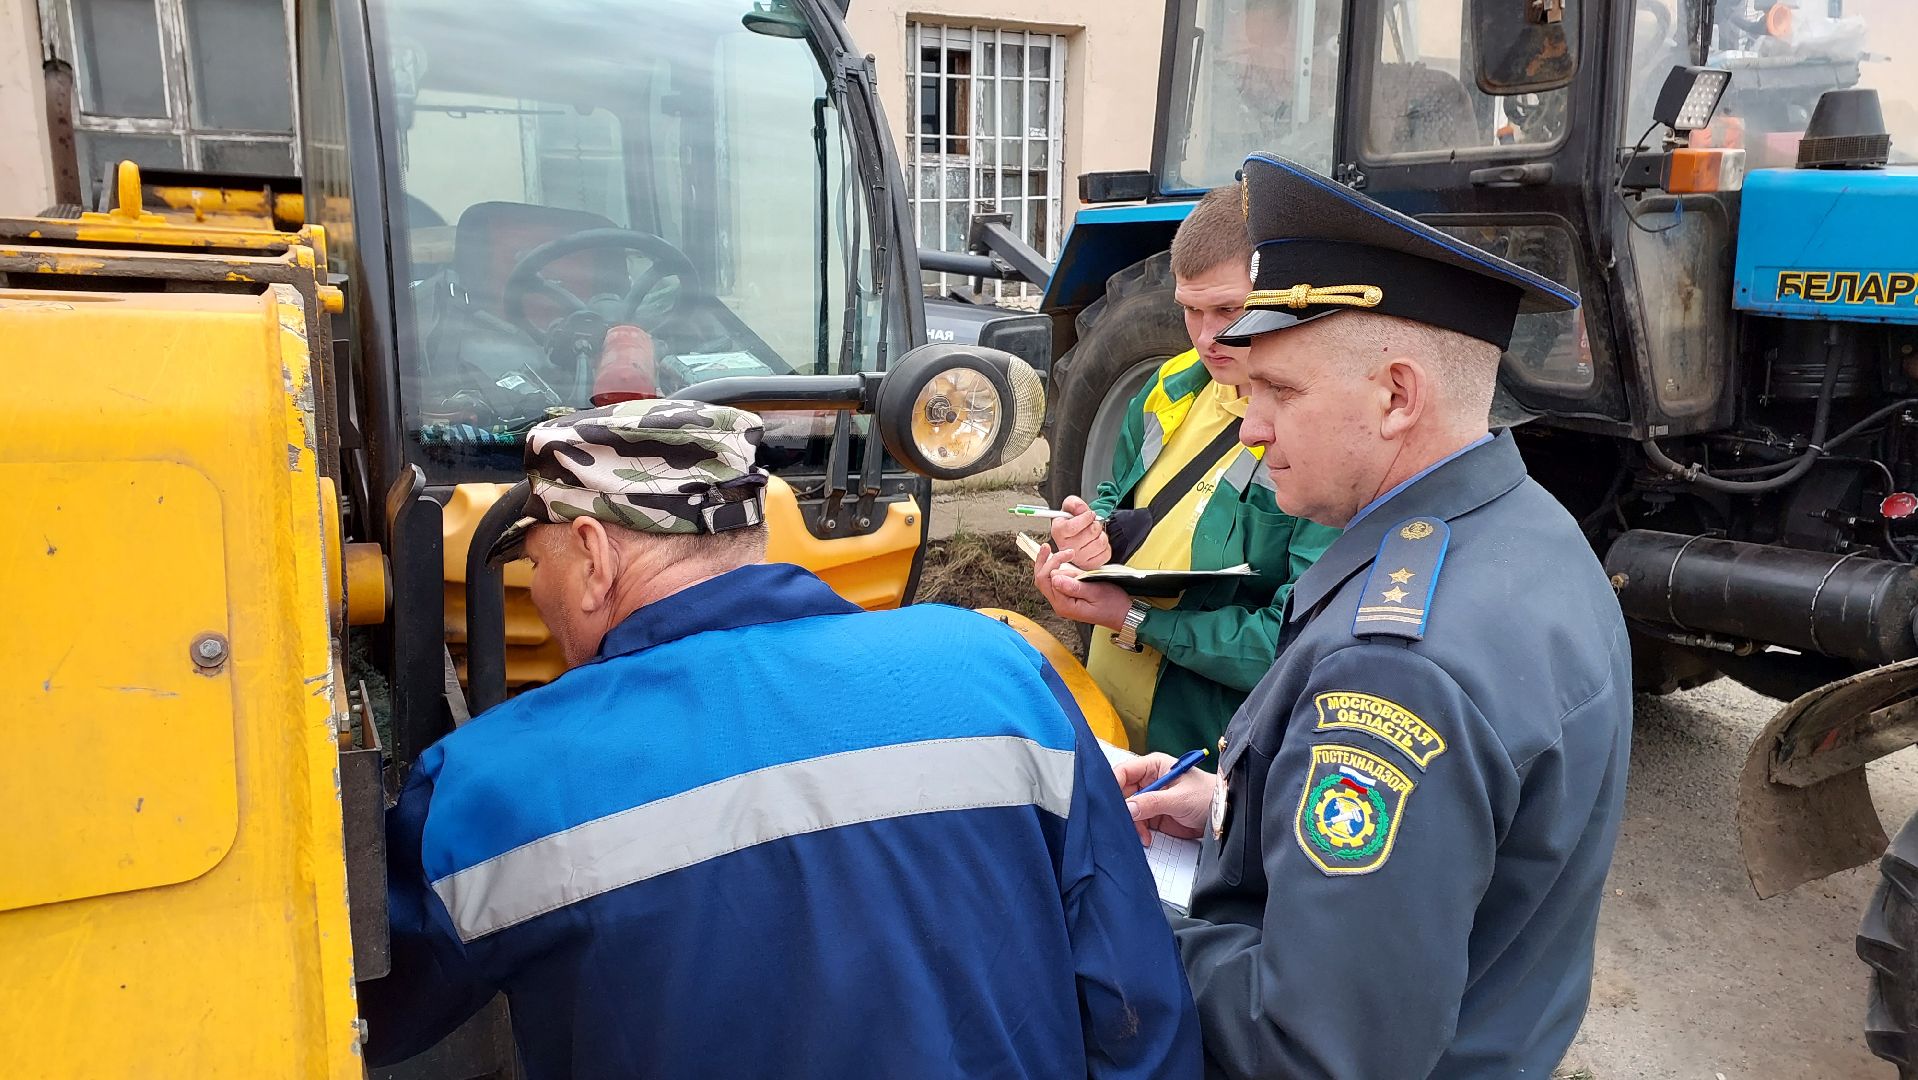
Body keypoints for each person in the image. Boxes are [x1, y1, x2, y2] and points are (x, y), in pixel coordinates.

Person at [361, 400, 1202, 1079]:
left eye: (532, 561)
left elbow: (368, 1014)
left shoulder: (497, 781)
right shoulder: (997, 668)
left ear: (591, 553)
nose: (535, 587)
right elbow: (1134, 1000)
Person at [1084, 154, 1633, 1078]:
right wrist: (1233, 814)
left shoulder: (1398, 669)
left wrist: (1115, 917)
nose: (1251, 429)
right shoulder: (1523, 529)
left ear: (1395, 396)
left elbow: (1314, 1048)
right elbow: (1458, 855)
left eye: (1281, 393)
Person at [1035, 185, 1339, 757]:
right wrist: (1091, 539)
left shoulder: (1327, 442)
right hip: (1106, 720)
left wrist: (1136, 619)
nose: (1205, 337)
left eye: (1228, 310)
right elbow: (1120, 498)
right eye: (1190, 310)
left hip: (1199, 754)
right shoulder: (1168, 387)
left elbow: (1296, 643)